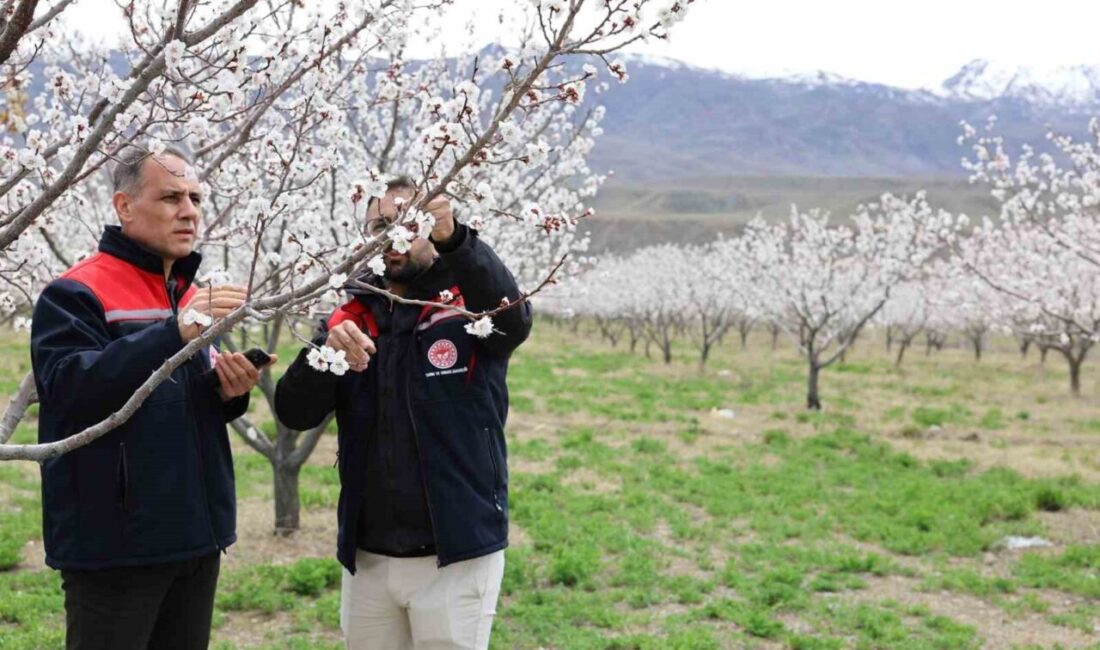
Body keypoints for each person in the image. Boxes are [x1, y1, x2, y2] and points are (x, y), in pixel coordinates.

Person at [30, 145, 272, 650]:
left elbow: (174, 400)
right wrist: (173, 331)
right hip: (116, 546)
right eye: (170, 197)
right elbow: (70, 390)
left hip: (195, 538)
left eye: (195, 198)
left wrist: (226, 392)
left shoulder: (186, 293)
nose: (189, 211)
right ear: (123, 206)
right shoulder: (75, 293)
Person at [275, 176, 532, 649]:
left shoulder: (466, 308)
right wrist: (322, 357)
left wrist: (457, 239)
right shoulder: (348, 314)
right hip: (369, 556)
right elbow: (294, 411)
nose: (391, 236)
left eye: (406, 223)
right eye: (379, 225)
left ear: (431, 228)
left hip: (454, 554)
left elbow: (513, 321)